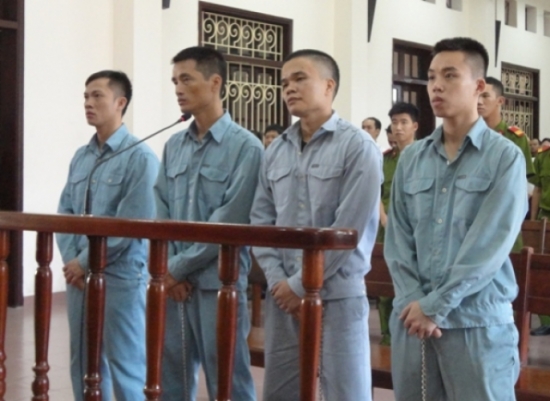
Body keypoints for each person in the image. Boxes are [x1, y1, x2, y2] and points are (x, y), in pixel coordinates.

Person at [385, 37, 526, 401]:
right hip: (413, 321)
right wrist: (415, 302)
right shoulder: (412, 158)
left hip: (475, 323)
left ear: (478, 86)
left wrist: (434, 307)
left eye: (450, 75)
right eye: (432, 77)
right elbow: (398, 239)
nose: (437, 85)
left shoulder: (504, 157)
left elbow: (488, 246)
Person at [251, 49, 382, 401]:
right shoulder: (276, 151)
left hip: (337, 295)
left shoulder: (358, 147)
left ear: (328, 86)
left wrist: (300, 285)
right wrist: (279, 281)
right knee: (281, 393)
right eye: (284, 83)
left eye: (299, 79)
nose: (289, 88)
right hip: (283, 298)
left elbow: (348, 232)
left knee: (345, 394)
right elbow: (260, 222)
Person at [154, 46, 262, 401]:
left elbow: (230, 221)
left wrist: (177, 268)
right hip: (173, 283)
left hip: (219, 282)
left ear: (215, 83)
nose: (178, 89)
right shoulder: (174, 145)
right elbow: (161, 209)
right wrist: (170, 269)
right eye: (174, 81)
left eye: (187, 80)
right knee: (171, 376)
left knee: (227, 379)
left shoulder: (246, 147)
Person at [57, 70, 159, 401]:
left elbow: (130, 224)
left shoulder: (140, 157)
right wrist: (72, 261)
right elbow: (65, 212)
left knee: (125, 363)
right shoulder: (81, 156)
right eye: (86, 96)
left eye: (97, 96)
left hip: (121, 276)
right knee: (83, 361)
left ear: (120, 102)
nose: (88, 103)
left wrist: (84, 261)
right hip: (79, 277)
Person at [377, 102, 419, 346]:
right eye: (394, 123)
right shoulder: (386, 159)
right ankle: (387, 335)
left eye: (404, 122)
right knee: (384, 281)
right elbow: (376, 192)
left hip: (414, 230)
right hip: (386, 228)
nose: (398, 128)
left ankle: (410, 334)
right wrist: (384, 218)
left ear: (415, 126)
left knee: (410, 281)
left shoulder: (424, 156)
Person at [529, 140, 550, 335]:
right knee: (542, 270)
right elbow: (537, 190)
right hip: (546, 219)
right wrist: (533, 220)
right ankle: (546, 320)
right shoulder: (543, 155)